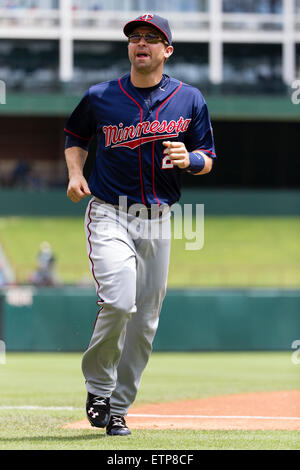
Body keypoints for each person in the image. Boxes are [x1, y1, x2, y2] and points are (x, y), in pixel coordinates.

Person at [64, 13, 216, 436]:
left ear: (167, 50)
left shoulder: (190, 99)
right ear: (129, 48)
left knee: (146, 321)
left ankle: (117, 407)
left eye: (151, 38)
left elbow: (208, 155)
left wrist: (193, 159)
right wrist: (76, 174)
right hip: (110, 210)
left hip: (158, 218)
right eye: (135, 37)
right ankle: (99, 386)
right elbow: (74, 136)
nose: (141, 42)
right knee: (118, 301)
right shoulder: (101, 96)